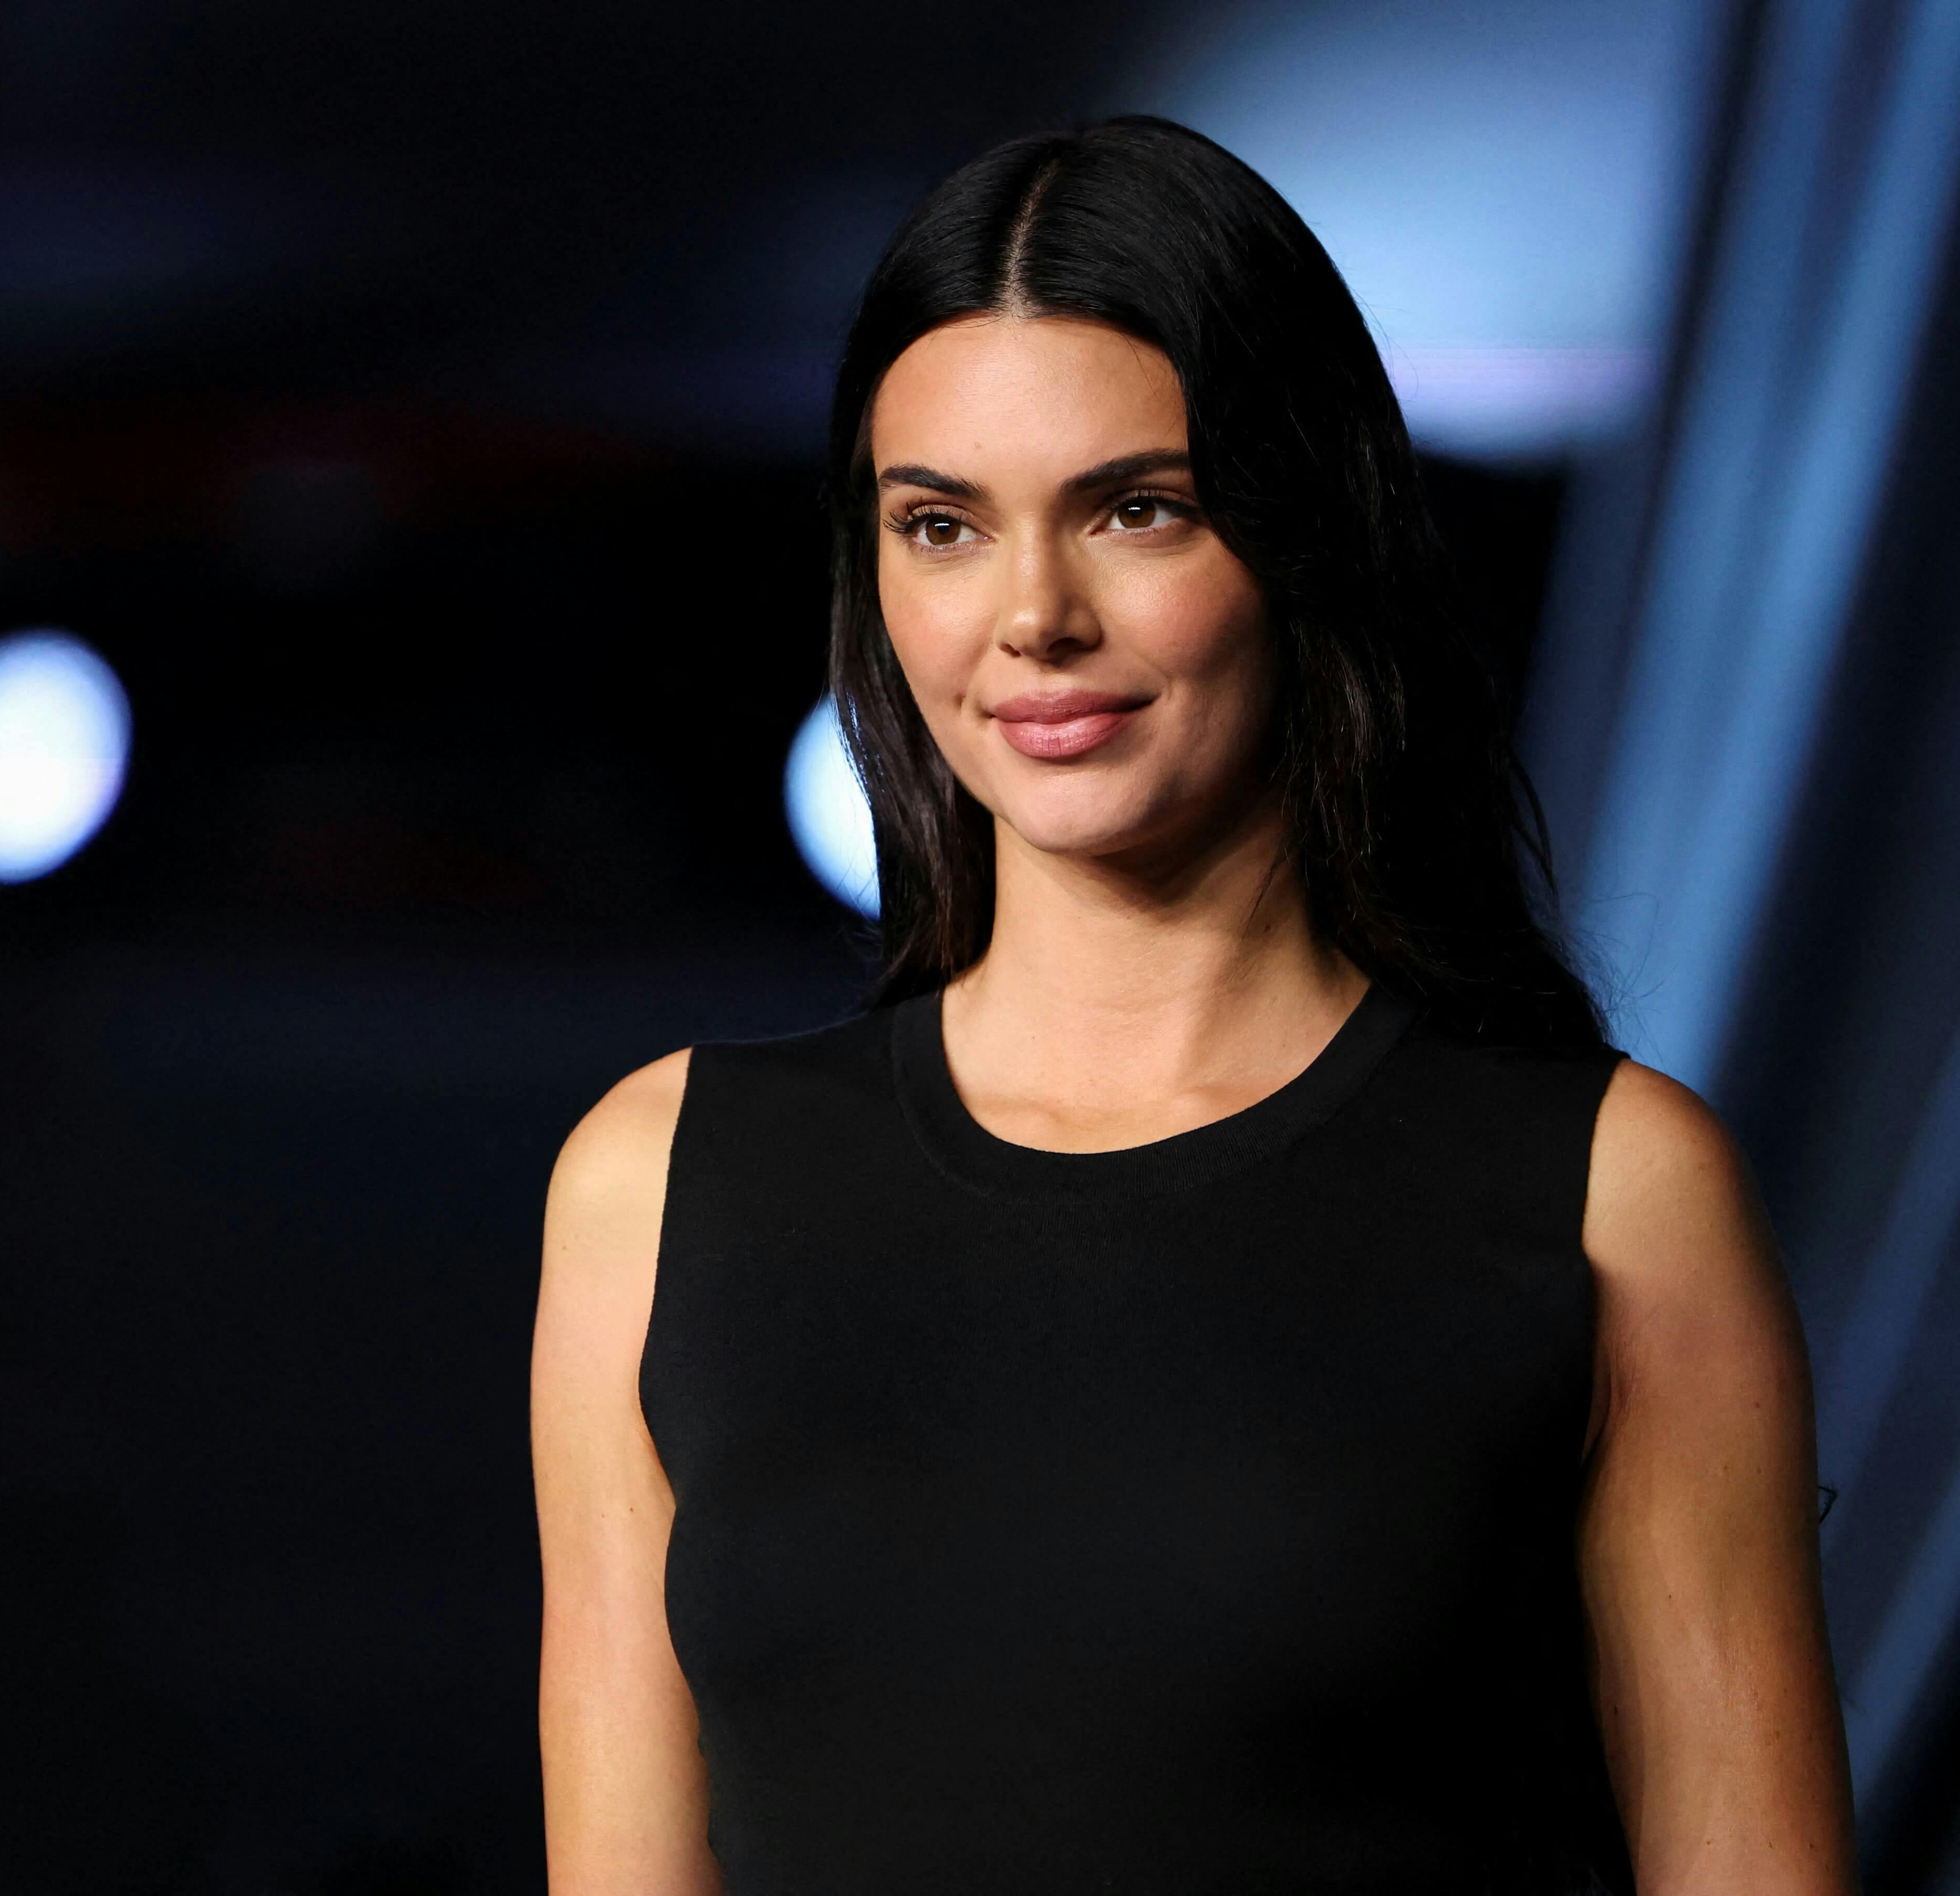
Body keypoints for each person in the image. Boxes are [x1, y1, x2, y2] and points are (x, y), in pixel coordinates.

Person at [531, 118, 1853, 1894]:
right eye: (941, 525)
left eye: (1135, 509)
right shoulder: (660, 1183)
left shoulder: (1605, 1192)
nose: (1031, 617)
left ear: (1302, 535)